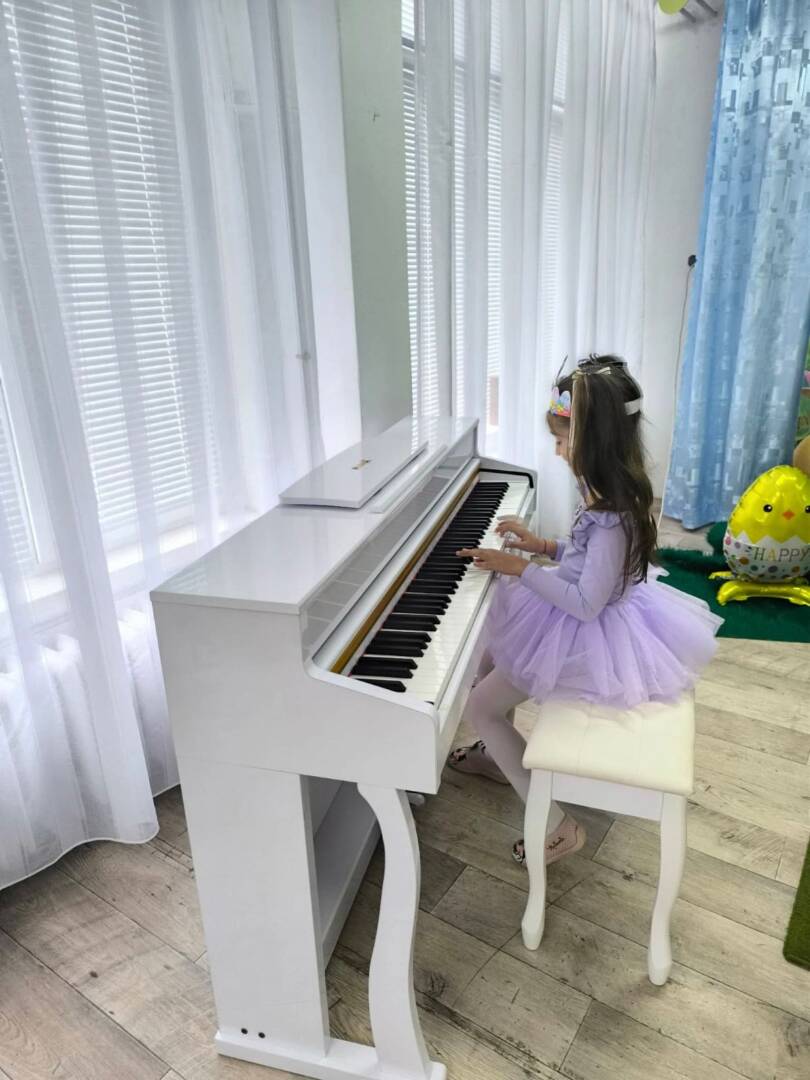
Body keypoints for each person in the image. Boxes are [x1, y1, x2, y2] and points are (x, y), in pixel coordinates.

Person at [448, 355, 722, 865]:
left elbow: (586, 602)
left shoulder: (613, 515)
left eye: (561, 439)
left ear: (591, 441)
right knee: (490, 656)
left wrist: (520, 567)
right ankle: (494, 753)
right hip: (572, 611)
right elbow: (582, 558)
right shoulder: (601, 493)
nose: (556, 450)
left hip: (584, 631)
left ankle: (557, 827)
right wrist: (541, 546)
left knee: (479, 706)